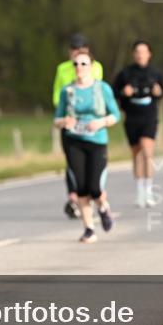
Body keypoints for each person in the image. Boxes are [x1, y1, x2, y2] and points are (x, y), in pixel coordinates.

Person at [55, 51, 120, 243]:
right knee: (81, 188)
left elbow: (116, 114)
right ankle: (89, 229)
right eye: (76, 64)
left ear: (91, 66)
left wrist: (100, 123)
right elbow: (57, 119)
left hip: (97, 141)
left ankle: (103, 208)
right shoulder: (67, 91)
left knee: (95, 187)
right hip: (74, 140)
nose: (79, 68)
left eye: (83, 64)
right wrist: (64, 121)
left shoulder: (102, 89)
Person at [52, 34, 105, 220]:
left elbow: (96, 93)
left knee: (93, 163)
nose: (76, 54)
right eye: (73, 49)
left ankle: (95, 195)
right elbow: (57, 95)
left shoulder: (96, 67)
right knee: (72, 162)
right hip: (70, 122)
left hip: (90, 125)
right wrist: (65, 114)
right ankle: (74, 198)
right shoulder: (62, 69)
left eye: (80, 48)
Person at [112, 41, 163, 208]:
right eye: (137, 52)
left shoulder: (156, 73)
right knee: (136, 155)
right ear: (133, 54)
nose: (140, 55)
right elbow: (115, 93)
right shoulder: (125, 74)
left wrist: (158, 92)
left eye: (144, 52)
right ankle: (140, 192)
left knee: (147, 151)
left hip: (149, 116)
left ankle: (149, 191)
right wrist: (124, 93)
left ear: (149, 54)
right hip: (132, 117)